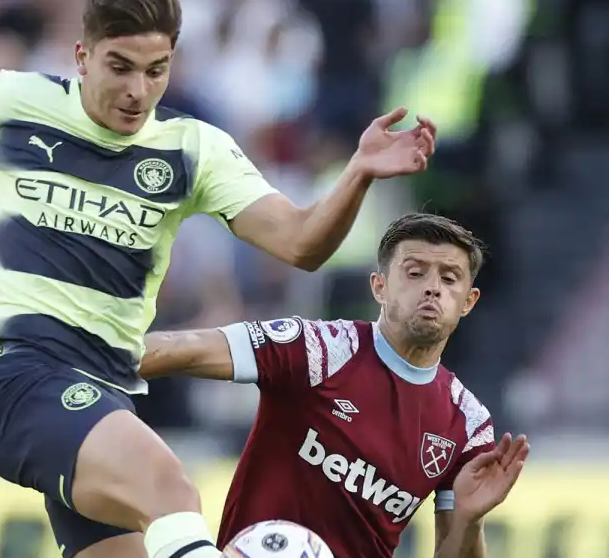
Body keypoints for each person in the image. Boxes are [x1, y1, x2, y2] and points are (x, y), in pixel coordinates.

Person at [0, 0, 438, 558]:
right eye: (120, 66)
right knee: (172, 489)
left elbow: (300, 243)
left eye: (157, 69)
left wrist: (356, 174)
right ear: (82, 56)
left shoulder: (191, 150)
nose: (138, 90)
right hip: (20, 380)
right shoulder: (14, 104)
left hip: (105, 397)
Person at [140, 213, 530, 558]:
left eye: (449, 278)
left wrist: (469, 519)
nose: (432, 288)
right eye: (414, 272)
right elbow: (184, 349)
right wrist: (87, 358)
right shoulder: (317, 350)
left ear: (468, 301)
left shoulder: (468, 423)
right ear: (379, 286)